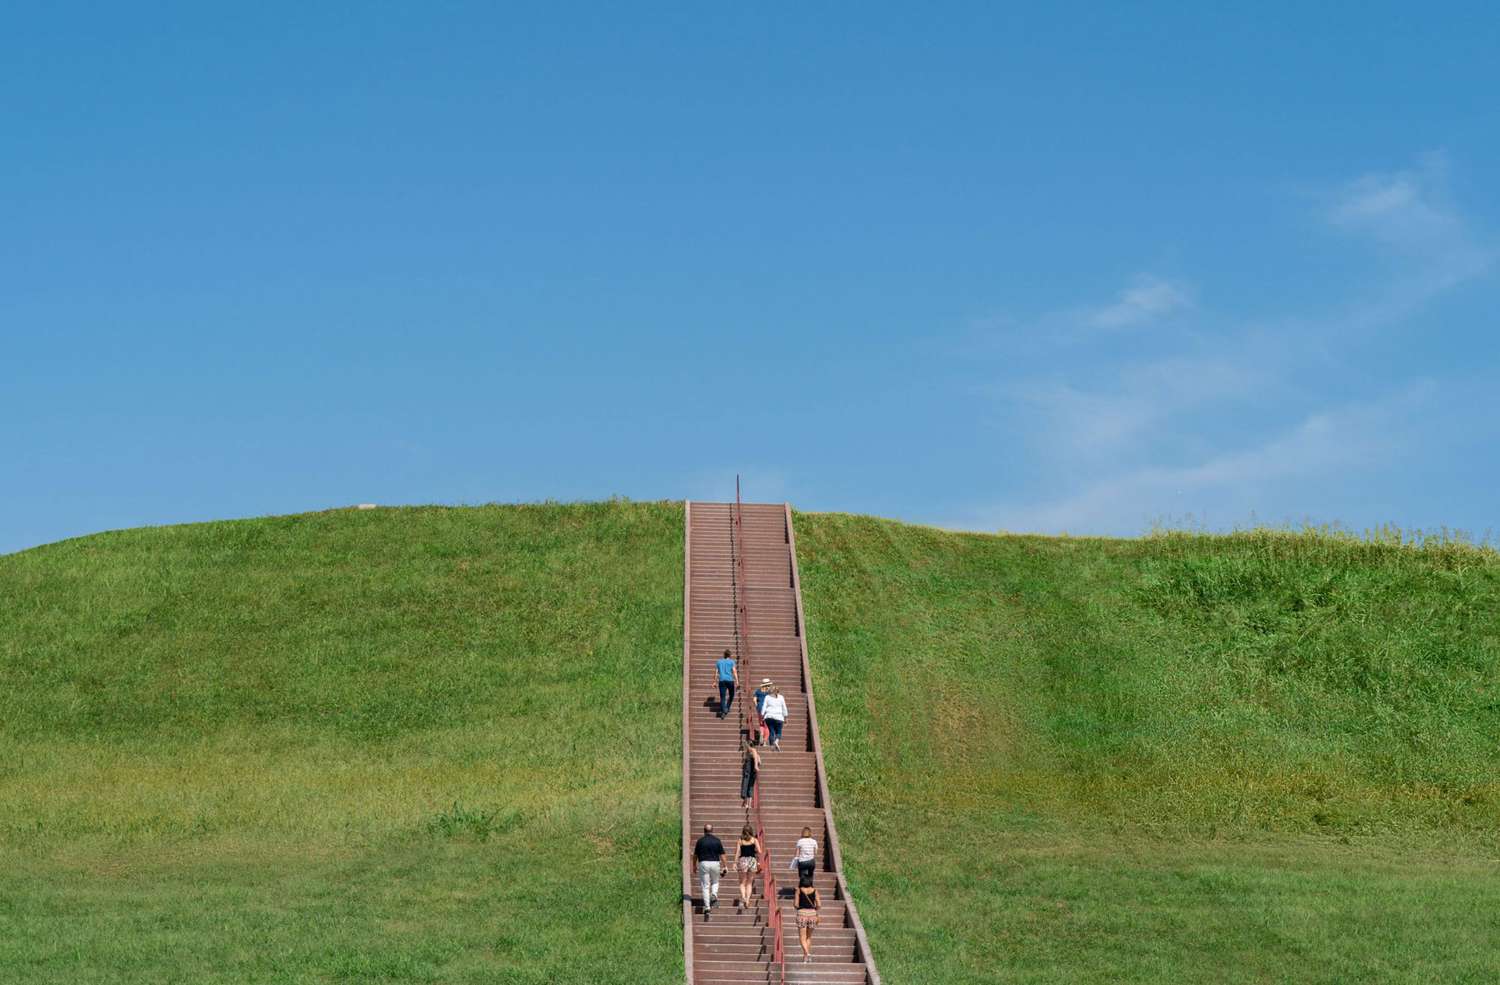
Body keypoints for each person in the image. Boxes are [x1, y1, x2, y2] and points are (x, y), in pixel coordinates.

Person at [692, 824, 725, 917]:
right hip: (715, 863)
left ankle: (707, 907)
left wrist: (694, 866)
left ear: (704, 831)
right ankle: (714, 894)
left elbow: (695, 855)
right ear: (712, 830)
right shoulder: (717, 841)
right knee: (715, 881)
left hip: (703, 863)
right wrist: (725, 865)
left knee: (705, 886)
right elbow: (722, 854)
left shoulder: (700, 841)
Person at [734, 824, 763, 910]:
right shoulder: (754, 840)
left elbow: (737, 853)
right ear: (751, 831)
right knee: (749, 883)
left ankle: (743, 897)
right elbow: (760, 851)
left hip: (743, 860)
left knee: (742, 882)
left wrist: (734, 863)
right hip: (752, 861)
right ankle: (747, 899)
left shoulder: (740, 840)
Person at [795, 872, 821, 963]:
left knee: (802, 937)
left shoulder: (799, 890)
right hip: (812, 915)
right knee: (808, 937)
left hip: (802, 914)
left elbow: (795, 904)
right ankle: (805, 958)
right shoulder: (815, 890)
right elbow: (819, 904)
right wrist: (815, 909)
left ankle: (807, 953)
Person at [760, 685, 788, 750]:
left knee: (771, 731)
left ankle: (771, 746)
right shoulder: (781, 697)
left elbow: (764, 707)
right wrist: (785, 717)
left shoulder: (767, 697)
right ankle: (776, 741)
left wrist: (762, 715)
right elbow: (784, 708)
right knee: (779, 732)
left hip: (769, 717)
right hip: (779, 717)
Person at [715, 648, 739, 719]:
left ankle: (724, 710)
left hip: (721, 680)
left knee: (722, 697)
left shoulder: (719, 662)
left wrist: (714, 681)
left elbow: (716, 673)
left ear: (724, 655)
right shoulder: (732, 662)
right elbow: (734, 671)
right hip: (730, 680)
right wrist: (737, 681)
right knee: (731, 695)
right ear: (730, 655)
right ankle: (726, 708)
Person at [740, 738, 761, 809]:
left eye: (746, 746)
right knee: (748, 786)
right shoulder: (751, 752)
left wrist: (755, 765)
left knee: (747, 785)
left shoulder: (753, 750)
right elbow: (759, 761)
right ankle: (747, 804)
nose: (746, 747)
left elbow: (755, 758)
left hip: (750, 770)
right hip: (750, 770)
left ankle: (747, 803)